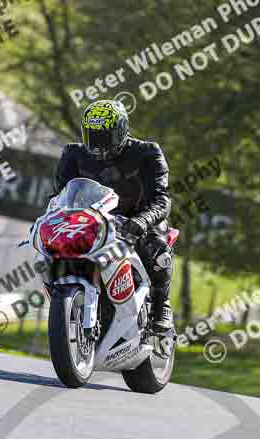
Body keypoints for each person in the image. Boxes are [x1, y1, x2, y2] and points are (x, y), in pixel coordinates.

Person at [52, 99, 175, 357]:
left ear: (120, 131)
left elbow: (161, 199)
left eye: (104, 136)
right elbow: (59, 196)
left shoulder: (147, 153)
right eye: (92, 136)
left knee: (157, 250)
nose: (97, 144)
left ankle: (161, 307)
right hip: (92, 220)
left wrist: (140, 223)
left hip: (138, 219)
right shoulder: (73, 154)